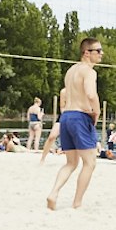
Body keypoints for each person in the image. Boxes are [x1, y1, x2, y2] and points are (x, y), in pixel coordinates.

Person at [46, 38, 103, 210]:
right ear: (86, 52)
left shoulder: (70, 71)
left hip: (66, 117)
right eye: (98, 50)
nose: (101, 54)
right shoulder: (89, 71)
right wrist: (97, 112)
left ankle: (53, 193)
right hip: (80, 116)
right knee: (90, 163)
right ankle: (77, 203)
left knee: (71, 163)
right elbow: (91, 94)